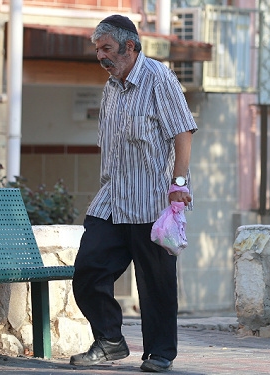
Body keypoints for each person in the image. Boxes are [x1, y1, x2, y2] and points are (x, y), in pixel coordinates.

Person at [69, 15, 197, 373]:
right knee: (89, 269)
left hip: (152, 200)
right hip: (112, 197)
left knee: (155, 283)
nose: (101, 57)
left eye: (107, 49)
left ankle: (159, 353)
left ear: (130, 47)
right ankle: (110, 340)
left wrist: (179, 184)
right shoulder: (111, 86)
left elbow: (183, 130)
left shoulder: (158, 77)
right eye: (98, 50)